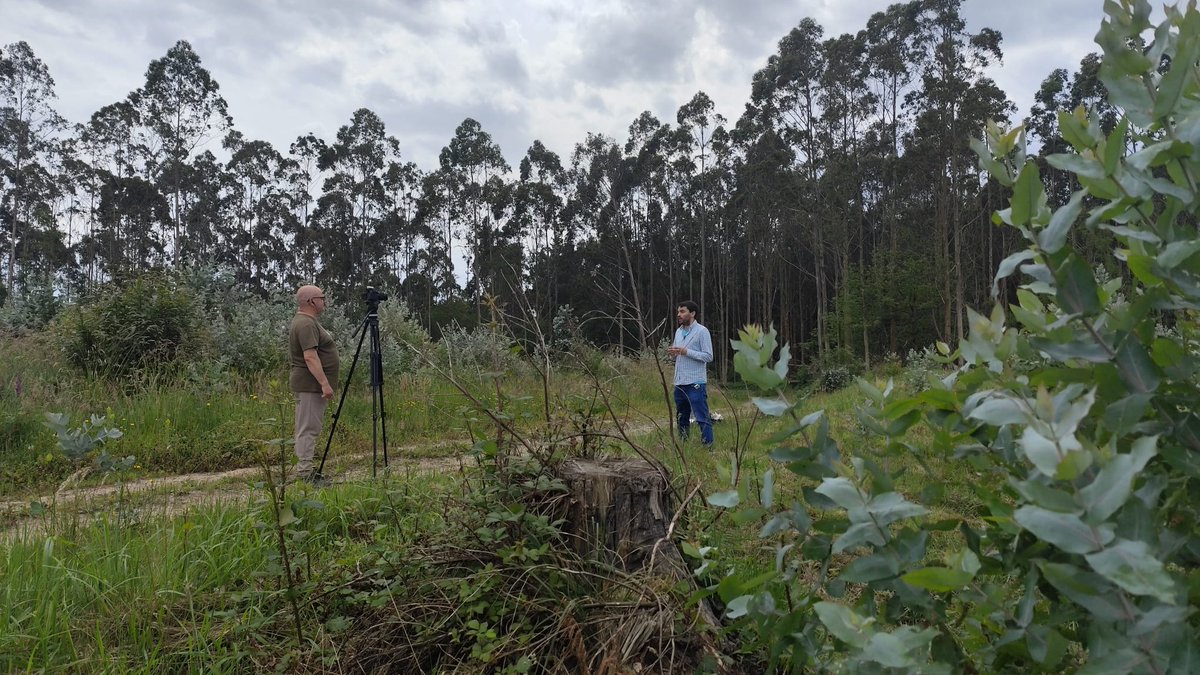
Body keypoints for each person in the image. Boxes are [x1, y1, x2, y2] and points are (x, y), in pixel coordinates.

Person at [288, 285, 339, 484]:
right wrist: (325, 384)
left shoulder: (306, 322)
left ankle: (305, 468)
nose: (324, 301)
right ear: (311, 301)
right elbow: (310, 357)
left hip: (310, 385)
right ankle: (305, 473)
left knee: (308, 427)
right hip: (310, 385)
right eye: (321, 297)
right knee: (308, 428)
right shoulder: (306, 324)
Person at [667, 300, 714, 445]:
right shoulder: (679, 331)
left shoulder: (702, 331)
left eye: (682, 312)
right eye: (678, 312)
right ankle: (684, 446)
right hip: (679, 381)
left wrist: (686, 351)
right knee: (682, 417)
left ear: (692, 313)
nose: (678, 315)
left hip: (696, 383)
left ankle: (708, 447)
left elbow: (708, 356)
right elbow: (679, 353)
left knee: (701, 416)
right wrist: (673, 353)